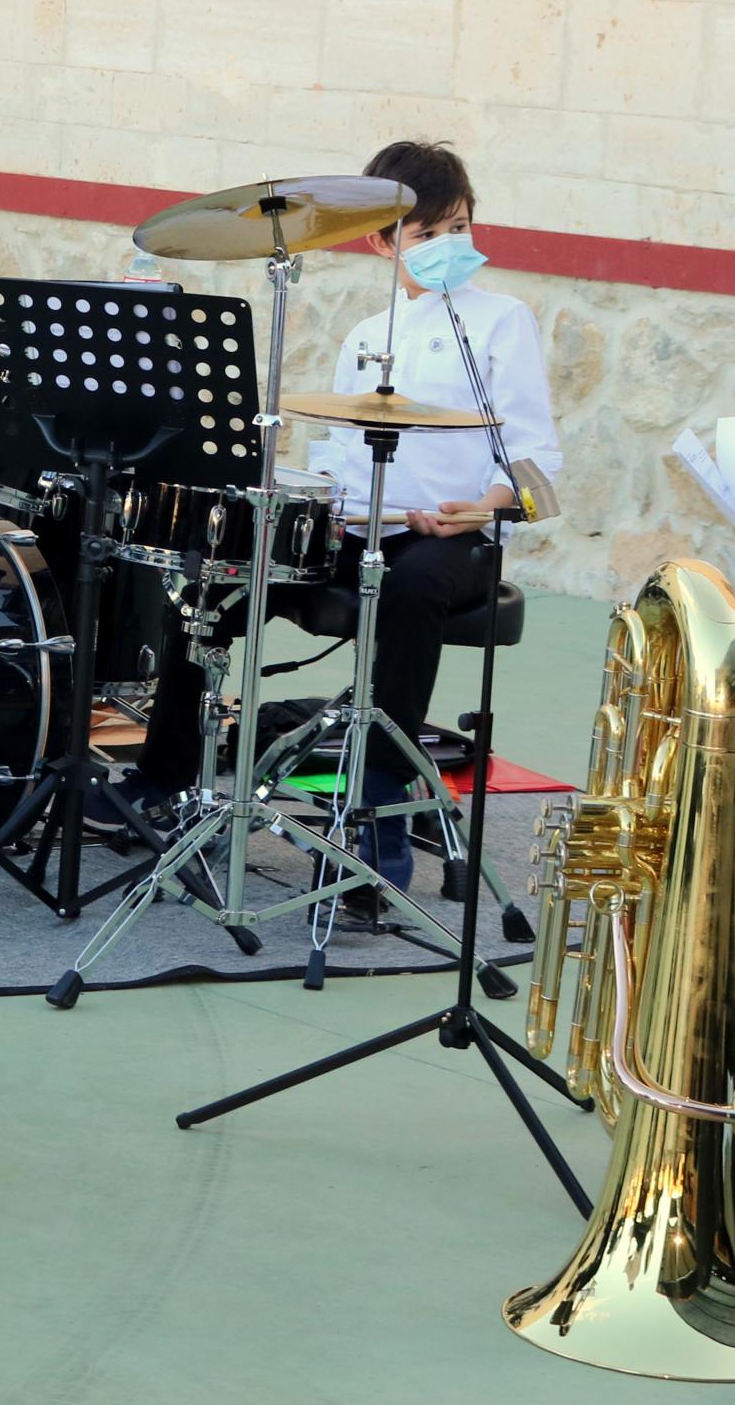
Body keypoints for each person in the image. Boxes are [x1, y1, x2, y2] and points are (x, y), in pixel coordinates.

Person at [130, 141, 561, 917]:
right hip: (366, 525)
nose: (448, 246)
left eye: (459, 226)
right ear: (381, 239)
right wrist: (314, 503)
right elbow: (339, 457)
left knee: (415, 582)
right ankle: (163, 782)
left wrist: (483, 505)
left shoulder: (505, 321)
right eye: (427, 234)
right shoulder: (367, 332)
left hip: (452, 539)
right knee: (215, 574)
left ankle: (378, 806)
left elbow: (532, 459)